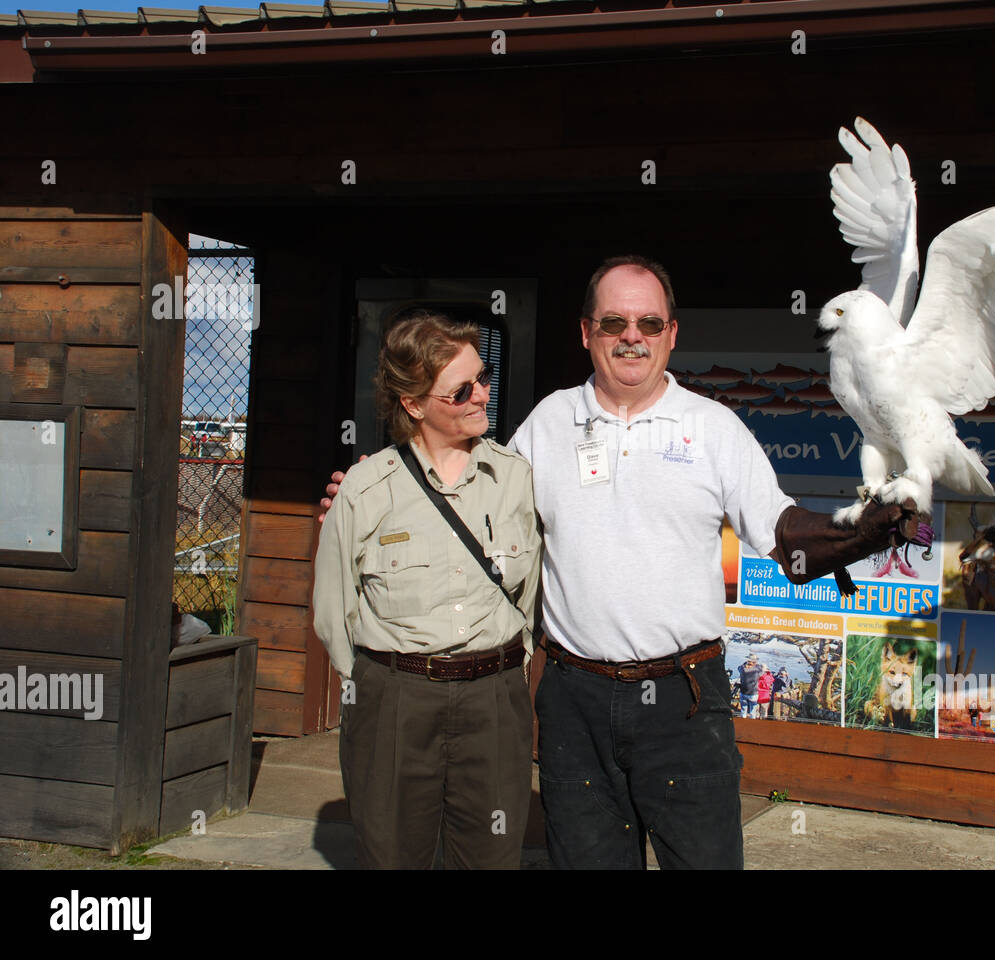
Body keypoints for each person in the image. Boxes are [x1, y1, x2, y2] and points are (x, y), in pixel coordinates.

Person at [322, 255, 925, 869]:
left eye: (649, 323)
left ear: (671, 333)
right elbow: (458, 489)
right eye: (614, 323)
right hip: (572, 704)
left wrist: (867, 531)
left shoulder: (714, 428)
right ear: (587, 333)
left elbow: (787, 543)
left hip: (685, 706)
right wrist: (368, 498)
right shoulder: (546, 426)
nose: (632, 336)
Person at [312, 308, 541, 869]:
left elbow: (530, 590)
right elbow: (332, 611)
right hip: (395, 700)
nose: (482, 395)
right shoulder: (365, 489)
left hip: (495, 697)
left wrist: (513, 668)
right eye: (461, 390)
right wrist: (378, 688)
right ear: (413, 405)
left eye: (483, 379)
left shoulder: (517, 477)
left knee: (492, 857)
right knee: (392, 857)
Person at [737, 654, 761, 718]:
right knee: (752, 712)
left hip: (743, 692)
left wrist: (745, 663)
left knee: (743, 710)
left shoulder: (742, 669)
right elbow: (761, 670)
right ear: (754, 662)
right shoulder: (756, 671)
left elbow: (739, 667)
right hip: (753, 694)